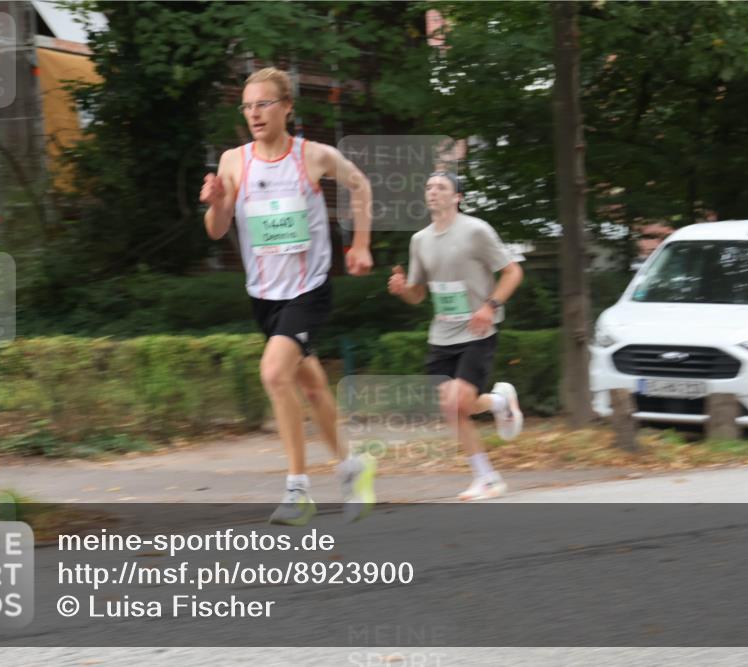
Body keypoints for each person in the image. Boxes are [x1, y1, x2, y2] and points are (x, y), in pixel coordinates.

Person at [200, 67, 376, 525]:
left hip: (308, 289)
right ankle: (353, 468)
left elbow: (360, 185)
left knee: (274, 374)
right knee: (311, 386)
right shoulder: (234, 161)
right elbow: (217, 229)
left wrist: (360, 244)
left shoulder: (314, 156)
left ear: (287, 107)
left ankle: (298, 490)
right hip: (263, 295)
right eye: (247, 106)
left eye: (264, 104)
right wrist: (216, 202)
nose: (254, 113)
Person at [387, 171, 524, 501]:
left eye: (441, 187)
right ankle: (499, 410)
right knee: (454, 408)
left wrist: (490, 306)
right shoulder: (420, 240)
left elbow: (512, 272)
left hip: (478, 330)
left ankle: (487, 476)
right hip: (442, 335)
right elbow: (418, 295)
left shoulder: (476, 230)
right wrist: (403, 290)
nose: (432, 191)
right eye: (428, 186)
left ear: (457, 197)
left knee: (456, 402)